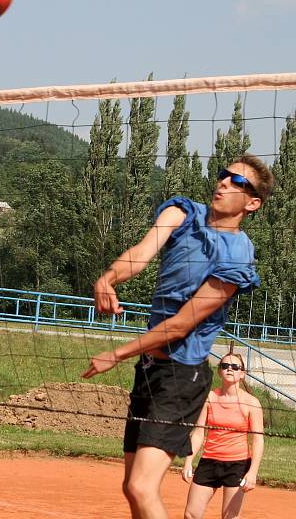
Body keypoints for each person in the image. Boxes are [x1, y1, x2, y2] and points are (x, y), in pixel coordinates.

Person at [82, 155, 274, 519]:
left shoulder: (237, 256)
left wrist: (116, 354)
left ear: (252, 203)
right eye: (224, 175)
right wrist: (108, 278)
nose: (224, 184)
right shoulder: (183, 213)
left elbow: (182, 324)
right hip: (152, 369)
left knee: (142, 486)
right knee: (131, 488)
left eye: (238, 182)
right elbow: (140, 255)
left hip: (183, 377)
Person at [182, 353, 264, 519]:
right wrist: (188, 461)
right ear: (219, 372)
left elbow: (258, 440)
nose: (229, 369)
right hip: (209, 461)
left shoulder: (252, 403)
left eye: (235, 367)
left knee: (230, 517)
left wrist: (253, 472)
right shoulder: (209, 398)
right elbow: (198, 433)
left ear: (242, 373)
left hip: (237, 464)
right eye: (225, 366)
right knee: (191, 514)